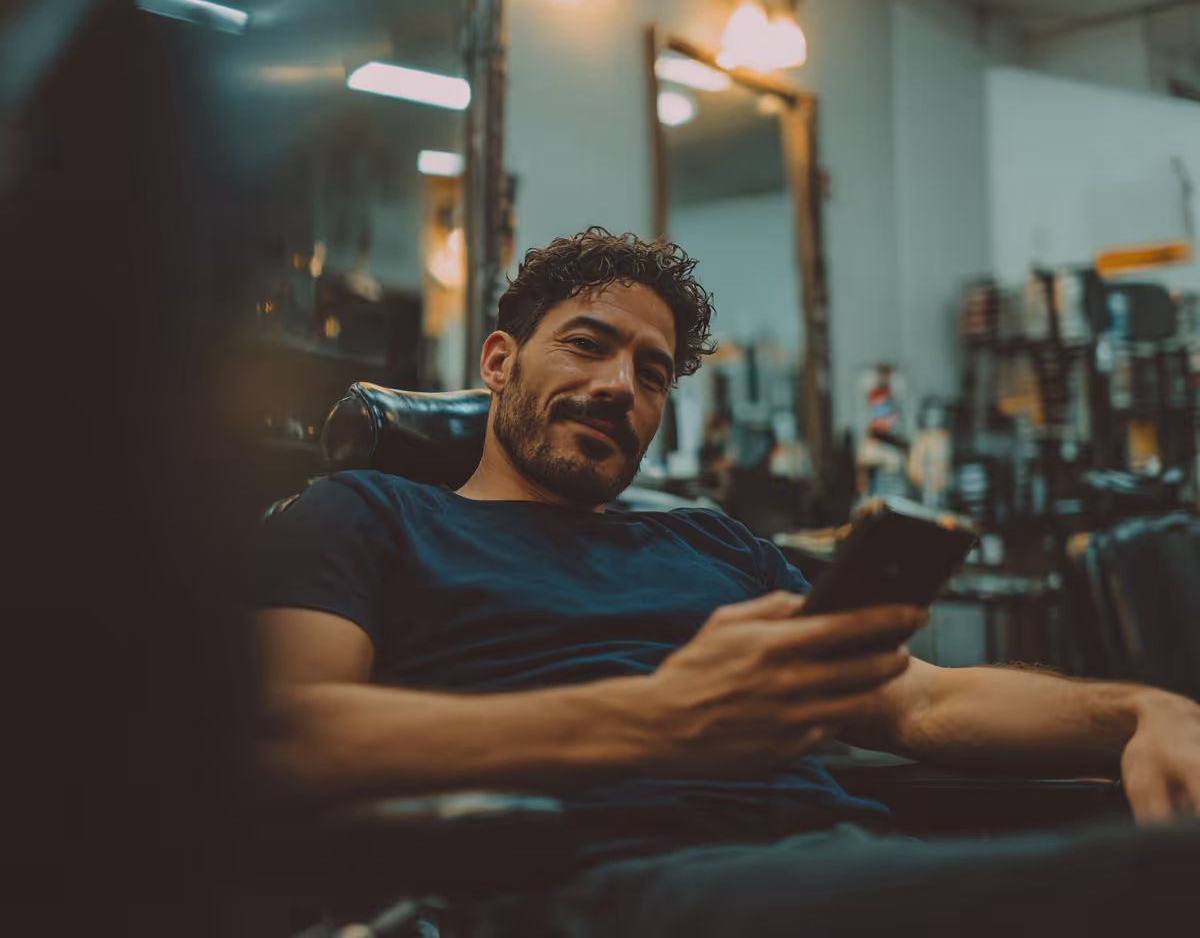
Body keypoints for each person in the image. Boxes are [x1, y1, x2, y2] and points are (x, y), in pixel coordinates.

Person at [256, 228, 1200, 937]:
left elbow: (923, 700)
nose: (623, 385)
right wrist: (657, 717)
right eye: (588, 344)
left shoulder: (711, 543)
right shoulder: (369, 512)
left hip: (840, 866)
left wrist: (1145, 710)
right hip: (599, 886)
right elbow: (278, 735)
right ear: (499, 363)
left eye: (653, 371)